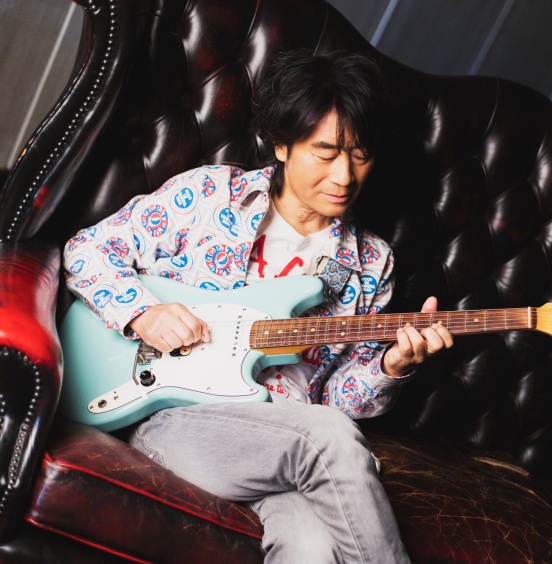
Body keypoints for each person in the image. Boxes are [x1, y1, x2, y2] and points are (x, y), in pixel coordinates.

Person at [63, 49, 453, 563]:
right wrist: (143, 312)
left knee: (313, 548)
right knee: (330, 439)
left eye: (360, 155)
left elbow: (336, 401)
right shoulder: (210, 196)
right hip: (175, 419)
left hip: (280, 439)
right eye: (326, 152)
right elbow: (88, 249)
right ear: (282, 144)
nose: (344, 176)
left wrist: (390, 366)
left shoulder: (371, 262)